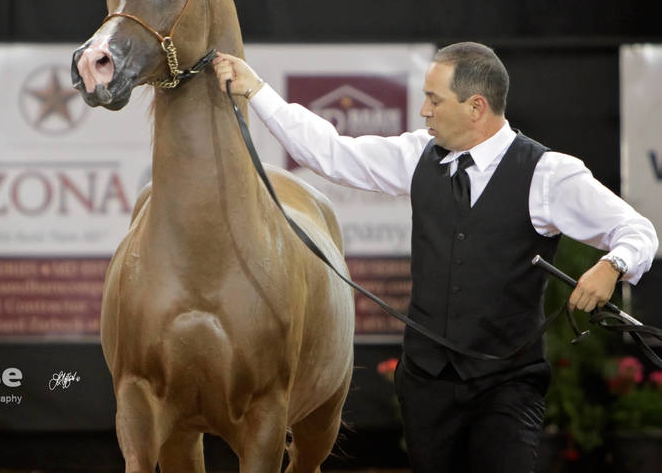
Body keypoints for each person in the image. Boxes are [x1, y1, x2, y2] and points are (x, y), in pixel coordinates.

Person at [212, 42, 657, 473]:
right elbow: (329, 151)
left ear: (476, 107)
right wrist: (257, 90)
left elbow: (638, 231)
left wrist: (612, 265)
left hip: (507, 384)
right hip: (426, 384)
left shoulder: (547, 173)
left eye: (433, 99)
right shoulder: (415, 156)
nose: (423, 110)